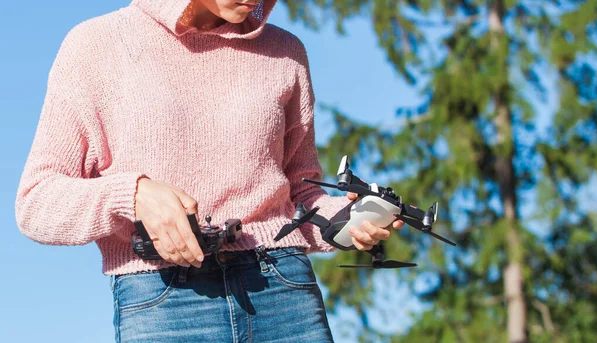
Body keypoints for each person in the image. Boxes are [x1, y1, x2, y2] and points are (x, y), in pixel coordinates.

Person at [14, 0, 404, 342]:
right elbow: (36, 202)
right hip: (163, 301)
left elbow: (300, 195)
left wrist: (347, 220)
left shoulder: (286, 53)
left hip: (284, 289)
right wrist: (133, 195)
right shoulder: (95, 46)